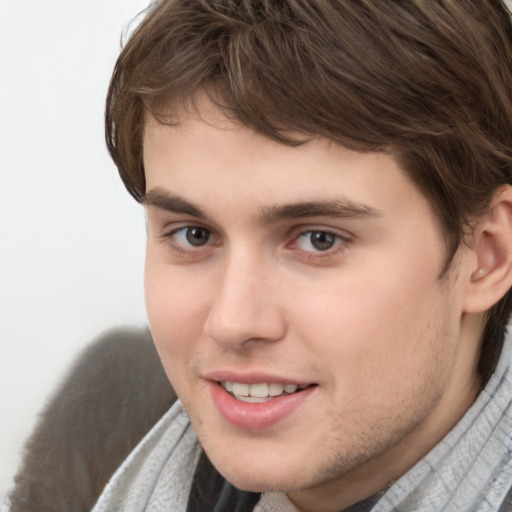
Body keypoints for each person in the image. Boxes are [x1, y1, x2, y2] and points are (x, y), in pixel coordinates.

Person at [90, 0, 512, 510]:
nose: (232, 321)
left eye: (319, 239)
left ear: (489, 255)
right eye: (194, 235)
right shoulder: (100, 444)